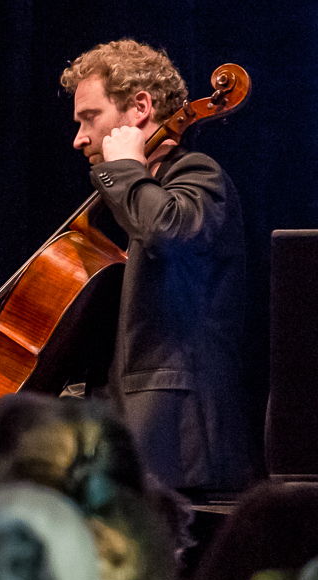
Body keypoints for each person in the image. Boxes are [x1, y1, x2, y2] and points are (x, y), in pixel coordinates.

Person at [62, 39, 250, 493]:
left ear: (140, 108)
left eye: (90, 118)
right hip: (116, 423)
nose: (79, 138)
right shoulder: (124, 200)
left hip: (174, 438)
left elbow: (170, 232)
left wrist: (126, 167)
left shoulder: (198, 175)